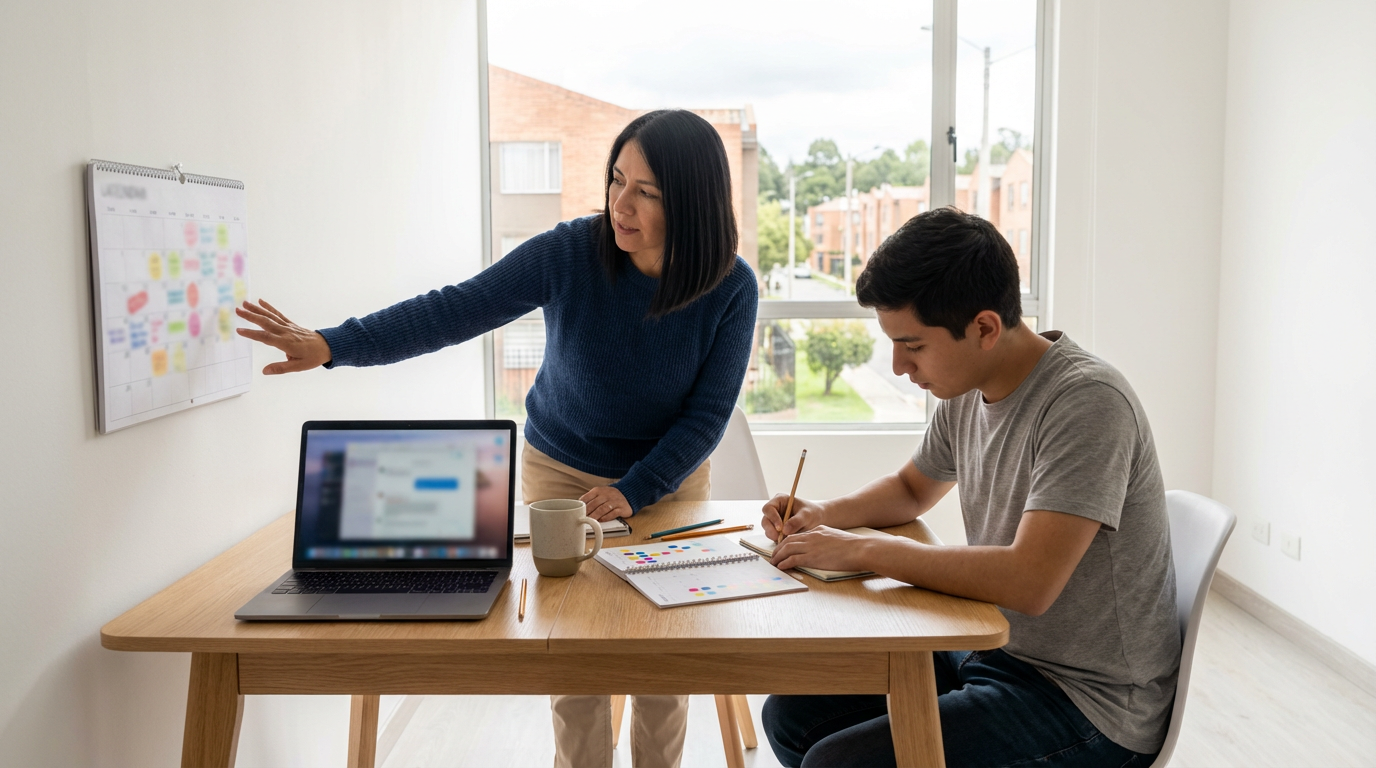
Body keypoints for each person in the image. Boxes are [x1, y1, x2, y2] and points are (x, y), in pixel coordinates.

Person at [236, 109, 758, 768]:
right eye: (617, 179)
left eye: (646, 192)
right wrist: (333, 345)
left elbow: (708, 416)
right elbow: (452, 310)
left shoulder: (731, 286)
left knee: (663, 662)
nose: (620, 204)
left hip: (668, 482)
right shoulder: (569, 252)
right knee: (574, 659)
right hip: (562, 472)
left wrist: (635, 490)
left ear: (692, 202)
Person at [758, 207, 1178, 768]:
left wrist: (864, 549)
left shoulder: (1088, 404)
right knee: (790, 715)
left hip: (1086, 702)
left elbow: (1030, 582)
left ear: (984, 327)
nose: (899, 365)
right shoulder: (964, 388)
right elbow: (911, 489)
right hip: (993, 646)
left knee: (839, 763)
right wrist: (823, 513)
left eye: (913, 345)